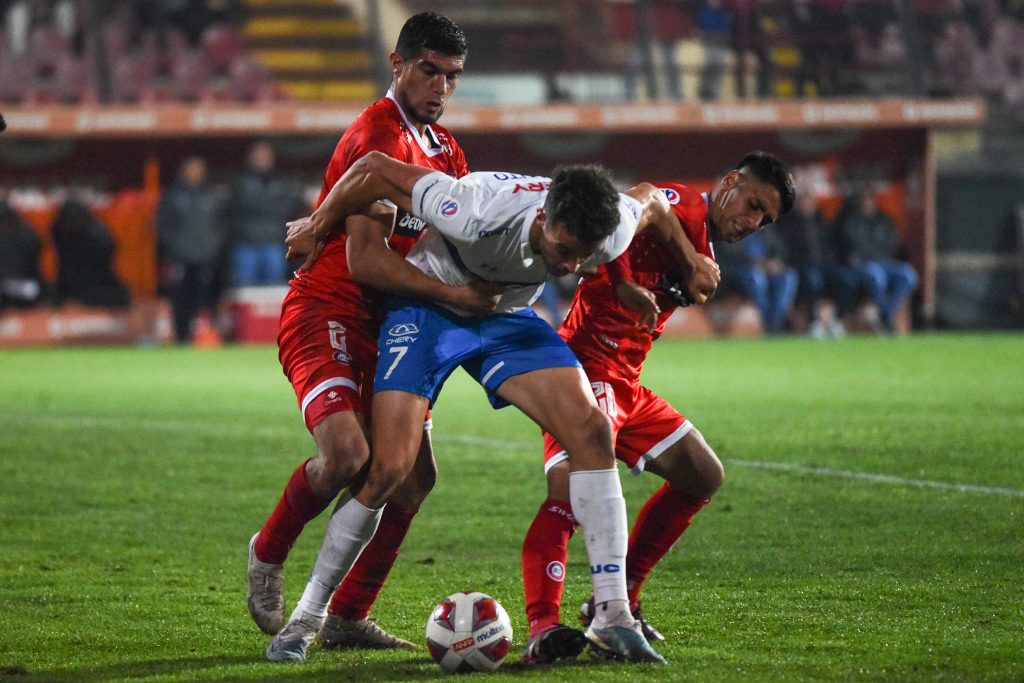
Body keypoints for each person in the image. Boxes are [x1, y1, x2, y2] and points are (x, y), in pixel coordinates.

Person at [271, 151, 723, 665]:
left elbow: (652, 204)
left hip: (505, 313)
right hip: (431, 307)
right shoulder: (474, 208)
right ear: (543, 219)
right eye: (566, 250)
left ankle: (613, 616)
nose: (572, 267)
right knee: (390, 468)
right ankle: (306, 619)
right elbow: (374, 167)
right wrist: (318, 222)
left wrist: (688, 261)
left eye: (584, 256)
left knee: (592, 433)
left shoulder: (610, 224)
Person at [248, 11, 499, 659]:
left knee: (413, 480)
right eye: (428, 71)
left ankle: (348, 614)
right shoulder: (377, 136)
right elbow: (365, 259)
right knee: (347, 457)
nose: (440, 87)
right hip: (328, 310)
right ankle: (268, 552)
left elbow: (446, 243)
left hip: (392, 325)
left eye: (452, 77)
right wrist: (454, 296)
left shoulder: (446, 149)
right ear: (397, 64)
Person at [519, 153, 796, 665]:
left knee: (702, 475)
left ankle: (622, 594)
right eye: (753, 204)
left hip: (626, 382)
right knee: (568, 496)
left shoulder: (706, 245)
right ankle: (543, 627)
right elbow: (635, 201)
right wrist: (626, 280)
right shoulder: (686, 206)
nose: (753, 222)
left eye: (765, 218)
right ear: (730, 181)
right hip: (584, 367)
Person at [156, 155, 227, 343]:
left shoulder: (212, 195)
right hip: (181, 258)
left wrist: (213, 246)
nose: (194, 173)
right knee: (180, 299)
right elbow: (162, 225)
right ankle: (181, 337)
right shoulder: (173, 195)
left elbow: (222, 225)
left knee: (207, 299)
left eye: (198, 169)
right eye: (191, 169)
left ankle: (207, 336)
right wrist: (175, 247)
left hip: (207, 256)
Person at [773, 192, 856, 338]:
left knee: (846, 280)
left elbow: (831, 245)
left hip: (824, 264)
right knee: (813, 280)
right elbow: (785, 250)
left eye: (809, 201)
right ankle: (814, 321)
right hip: (801, 265)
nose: (807, 205)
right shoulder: (788, 224)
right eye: (803, 202)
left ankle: (836, 319)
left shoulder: (821, 221)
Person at [836, 192, 918, 334]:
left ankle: (886, 310)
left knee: (909, 274)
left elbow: (894, 244)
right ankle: (886, 315)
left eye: (870, 201)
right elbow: (852, 249)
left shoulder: (884, 220)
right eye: (864, 201)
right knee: (876, 275)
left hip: (886, 262)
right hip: (865, 264)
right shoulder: (851, 222)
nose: (867, 204)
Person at [227, 141, 306, 286]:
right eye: (259, 156)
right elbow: (242, 204)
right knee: (246, 290)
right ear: (250, 157)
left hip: (273, 242)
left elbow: (290, 206)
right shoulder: (240, 181)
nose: (263, 159)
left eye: (266, 156)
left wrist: (260, 204)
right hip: (247, 243)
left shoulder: (281, 181)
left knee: (273, 291)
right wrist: (272, 204)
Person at [714, 222, 798, 333]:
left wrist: (775, 261)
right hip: (740, 269)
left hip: (766, 268)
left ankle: (776, 321)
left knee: (789, 276)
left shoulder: (764, 222)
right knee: (757, 278)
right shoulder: (730, 222)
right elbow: (728, 251)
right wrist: (753, 262)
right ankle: (765, 322)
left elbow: (777, 246)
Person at [51, 198, 130, 308]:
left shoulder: (99, 238)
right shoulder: (60, 232)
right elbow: (64, 266)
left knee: (117, 296)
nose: (71, 226)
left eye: (74, 221)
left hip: (97, 285)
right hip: (69, 284)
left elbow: (98, 273)